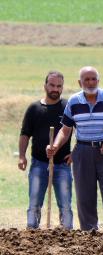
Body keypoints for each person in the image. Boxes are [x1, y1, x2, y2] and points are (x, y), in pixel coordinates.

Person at [47, 66, 103, 233]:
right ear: (80, 82)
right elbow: (66, 129)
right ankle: (89, 236)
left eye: (93, 79)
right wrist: (55, 145)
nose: (90, 82)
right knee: (85, 197)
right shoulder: (74, 102)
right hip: (83, 152)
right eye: (86, 79)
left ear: (98, 81)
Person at [18, 71, 73, 229]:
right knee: (34, 203)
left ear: (62, 88)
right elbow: (25, 134)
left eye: (59, 86)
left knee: (65, 205)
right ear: (45, 86)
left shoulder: (67, 107)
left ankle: (67, 236)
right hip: (38, 164)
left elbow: (80, 131)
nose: (55, 89)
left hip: (62, 165)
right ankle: (32, 235)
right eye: (52, 85)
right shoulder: (34, 108)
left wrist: (75, 152)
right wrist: (22, 156)